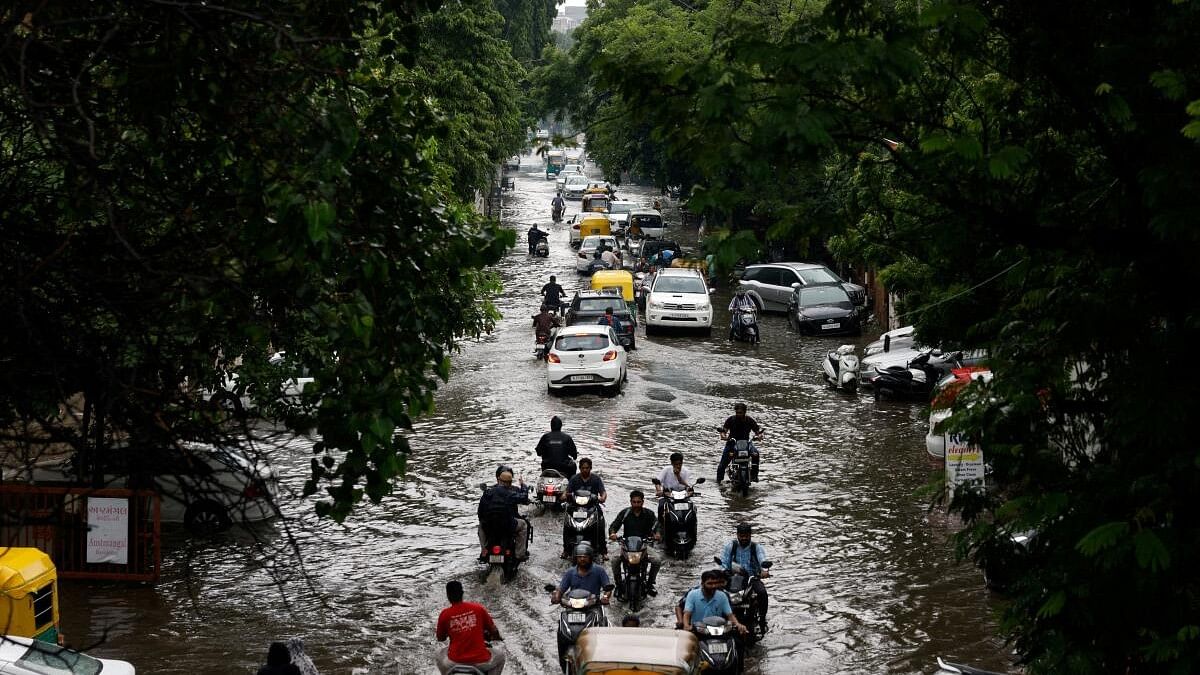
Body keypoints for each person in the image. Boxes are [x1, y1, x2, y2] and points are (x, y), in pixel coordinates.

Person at [435, 580, 507, 674]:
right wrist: (498, 638)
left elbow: (440, 638)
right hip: (481, 661)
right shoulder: (478, 608)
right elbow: (493, 630)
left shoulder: (444, 614)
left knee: (438, 654)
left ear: (448, 595)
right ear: (462, 593)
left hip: (454, 662)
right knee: (501, 657)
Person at [607, 490, 661, 596]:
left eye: (639, 502)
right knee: (614, 560)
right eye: (634, 502)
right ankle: (618, 585)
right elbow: (614, 525)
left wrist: (657, 534)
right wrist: (613, 534)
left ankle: (650, 583)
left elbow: (657, 525)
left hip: (644, 546)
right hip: (627, 546)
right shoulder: (625, 513)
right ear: (630, 502)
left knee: (657, 560)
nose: (636, 504)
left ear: (643, 502)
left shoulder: (649, 514)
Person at [719, 523, 771, 630]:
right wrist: (724, 572)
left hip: (752, 578)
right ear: (737, 535)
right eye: (741, 535)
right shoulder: (730, 546)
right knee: (718, 592)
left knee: (762, 592)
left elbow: (762, 560)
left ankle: (762, 619)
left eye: (746, 536)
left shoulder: (756, 547)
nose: (744, 538)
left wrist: (764, 571)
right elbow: (724, 563)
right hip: (733, 578)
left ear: (750, 535)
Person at [477, 465, 531, 562]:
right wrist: (523, 485)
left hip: (490, 527)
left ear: (498, 480)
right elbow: (524, 497)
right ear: (510, 483)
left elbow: (480, 513)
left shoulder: (487, 493)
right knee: (523, 525)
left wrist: (485, 522)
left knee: (480, 526)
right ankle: (520, 554)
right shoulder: (510, 493)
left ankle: (484, 550)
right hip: (507, 526)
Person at [681, 569, 749, 635]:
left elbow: (730, 615)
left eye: (715, 583)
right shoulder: (692, 594)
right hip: (698, 631)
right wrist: (686, 626)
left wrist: (738, 625)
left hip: (718, 631)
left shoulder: (722, 595)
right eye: (710, 583)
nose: (713, 586)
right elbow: (687, 614)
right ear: (702, 584)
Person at [563, 457, 607, 556]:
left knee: (600, 524)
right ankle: (566, 549)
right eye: (583, 468)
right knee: (567, 524)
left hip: (592, 507)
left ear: (590, 468)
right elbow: (567, 491)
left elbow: (603, 492)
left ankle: (603, 551)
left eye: (587, 468)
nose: (585, 470)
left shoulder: (596, 479)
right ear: (580, 468)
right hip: (575, 507)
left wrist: (602, 498)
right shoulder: (574, 478)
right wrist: (564, 495)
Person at [717, 402, 763, 483]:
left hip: (746, 443)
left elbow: (757, 431)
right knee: (722, 464)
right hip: (732, 443)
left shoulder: (750, 420)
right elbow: (724, 430)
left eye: (740, 413)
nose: (738, 414)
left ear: (744, 412)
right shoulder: (730, 419)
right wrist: (723, 435)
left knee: (756, 454)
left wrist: (759, 436)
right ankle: (719, 481)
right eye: (737, 412)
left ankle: (754, 475)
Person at [654, 452, 694, 519]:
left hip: (682, 496)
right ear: (672, 463)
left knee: (692, 508)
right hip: (669, 496)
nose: (678, 466)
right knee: (661, 505)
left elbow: (688, 486)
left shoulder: (686, 471)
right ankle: (660, 525)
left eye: (680, 464)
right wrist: (659, 490)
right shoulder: (666, 470)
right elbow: (658, 482)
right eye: (676, 464)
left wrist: (678, 476)